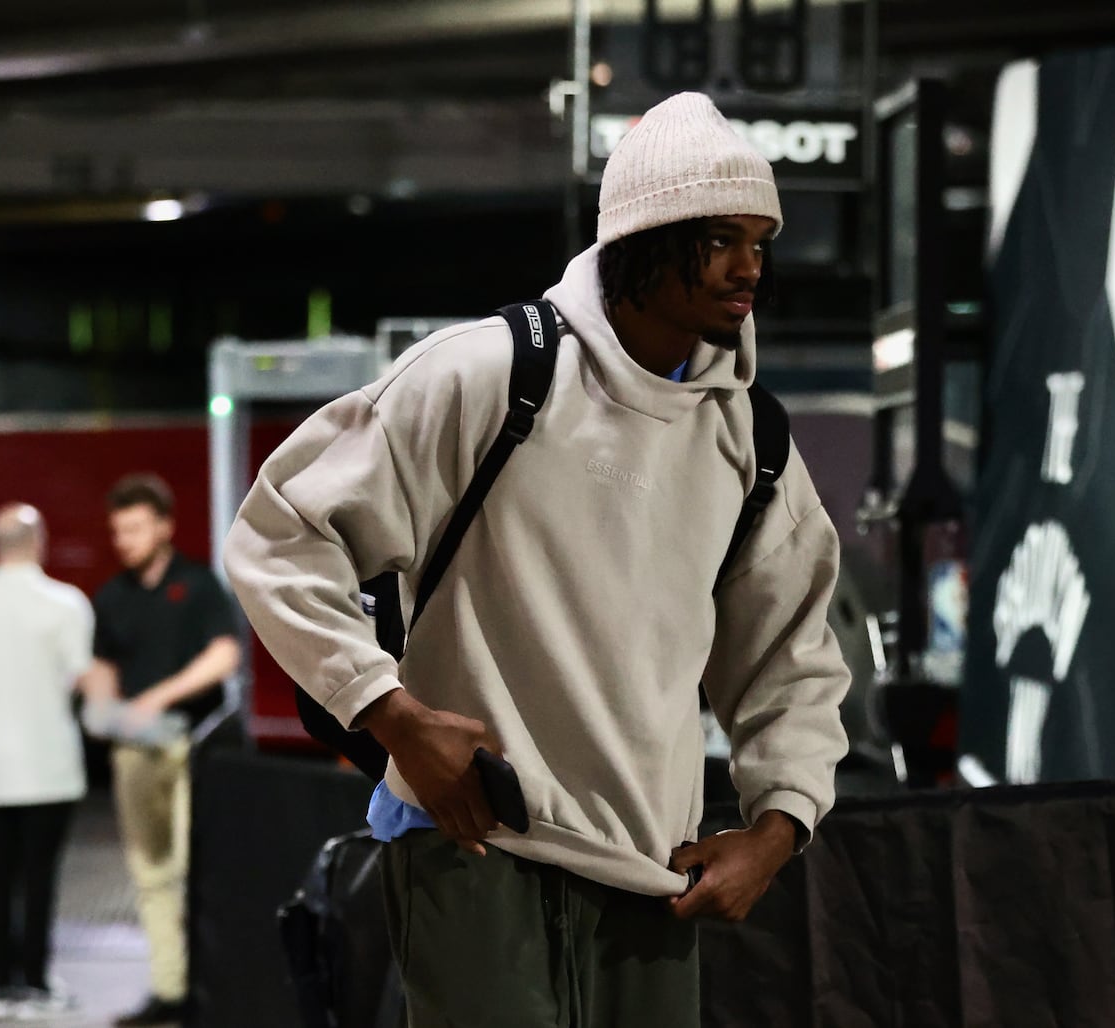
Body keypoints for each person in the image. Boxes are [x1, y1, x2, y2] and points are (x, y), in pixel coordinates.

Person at [224, 91, 851, 1027]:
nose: (749, 267)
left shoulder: (748, 436)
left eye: (761, 240)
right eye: (721, 238)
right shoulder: (490, 373)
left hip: (651, 863)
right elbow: (280, 532)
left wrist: (777, 826)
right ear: (643, 235)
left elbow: (792, 653)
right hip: (474, 842)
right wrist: (391, 716)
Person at [83, 474, 240, 1028]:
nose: (122, 539)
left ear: (164, 527)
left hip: (193, 748)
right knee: (149, 874)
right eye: (117, 529)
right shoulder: (113, 595)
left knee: (197, 870)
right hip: (135, 750)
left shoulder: (197, 586)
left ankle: (208, 989)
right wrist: (102, 710)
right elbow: (101, 667)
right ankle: (169, 989)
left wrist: (159, 696)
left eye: (133, 527)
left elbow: (224, 655)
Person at [0, 505, 94, 1020]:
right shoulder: (66, 604)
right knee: (40, 877)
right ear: (40, 541)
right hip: (51, 762)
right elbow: (80, 680)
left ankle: (0, 983)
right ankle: (35, 980)